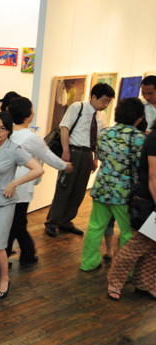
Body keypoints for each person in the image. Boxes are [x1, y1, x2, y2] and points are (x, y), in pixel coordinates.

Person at [0, 112, 44, 299]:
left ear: (9, 131)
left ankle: (5, 277)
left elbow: (38, 169)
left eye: (2, 129)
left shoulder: (14, 150)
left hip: (3, 203)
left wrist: (14, 183)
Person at [5, 97, 73, 265]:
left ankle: (28, 254)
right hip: (20, 185)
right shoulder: (31, 138)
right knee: (16, 223)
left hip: (6, 181)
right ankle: (1, 257)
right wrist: (65, 166)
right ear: (28, 114)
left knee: (17, 221)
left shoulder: (7, 132)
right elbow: (48, 156)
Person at [80, 98, 145, 271]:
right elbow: (141, 165)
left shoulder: (105, 133)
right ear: (139, 118)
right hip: (125, 192)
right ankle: (125, 271)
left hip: (102, 187)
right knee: (127, 232)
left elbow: (100, 155)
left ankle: (88, 263)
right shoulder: (139, 138)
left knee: (95, 227)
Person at [45, 83, 115, 237]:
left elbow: (99, 138)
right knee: (64, 188)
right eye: (104, 101)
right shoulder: (78, 107)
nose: (105, 105)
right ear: (94, 97)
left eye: (109, 102)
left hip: (87, 154)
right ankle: (52, 222)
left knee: (79, 190)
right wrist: (65, 151)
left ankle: (66, 221)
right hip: (72, 151)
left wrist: (95, 158)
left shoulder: (102, 116)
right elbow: (64, 128)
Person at [107, 121, 156, 301]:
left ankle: (145, 283)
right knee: (138, 245)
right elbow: (153, 176)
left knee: (152, 247)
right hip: (149, 200)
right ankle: (115, 281)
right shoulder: (155, 139)